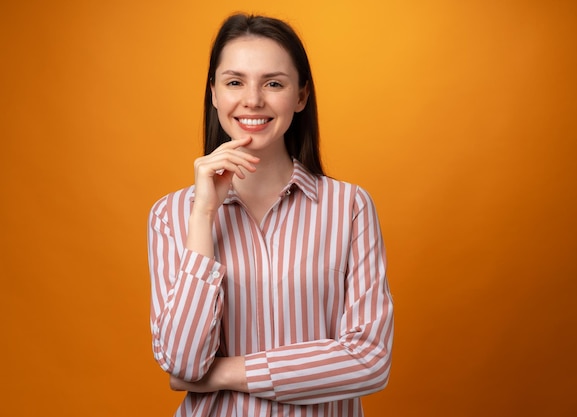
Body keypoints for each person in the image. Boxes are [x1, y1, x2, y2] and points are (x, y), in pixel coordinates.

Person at [148, 13, 394, 417]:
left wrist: (224, 373)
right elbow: (184, 363)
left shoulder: (350, 207)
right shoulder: (170, 215)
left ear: (300, 97)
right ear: (213, 93)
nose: (253, 100)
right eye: (234, 82)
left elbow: (369, 361)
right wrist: (203, 215)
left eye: (273, 83)